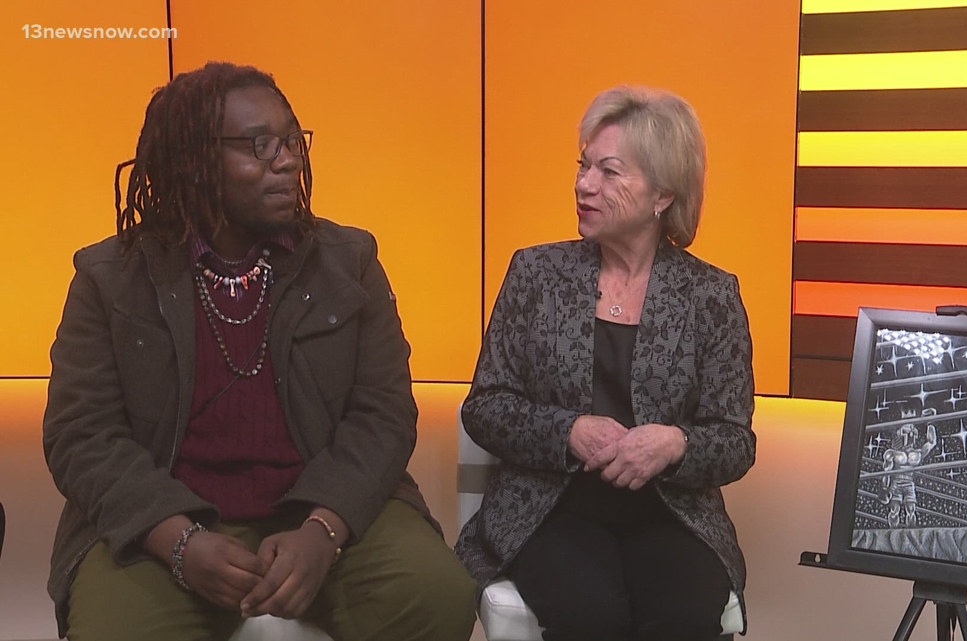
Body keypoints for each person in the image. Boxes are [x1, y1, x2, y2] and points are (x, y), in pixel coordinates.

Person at [42, 61, 476, 641]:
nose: (288, 160)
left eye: (293, 140)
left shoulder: (350, 261)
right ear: (193, 162)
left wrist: (323, 531)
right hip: (163, 524)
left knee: (439, 596)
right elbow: (81, 435)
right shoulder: (110, 277)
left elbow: (384, 415)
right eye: (259, 145)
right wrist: (178, 543)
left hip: (322, 511)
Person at [455, 86, 756, 641]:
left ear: (662, 194)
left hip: (671, 514)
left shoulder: (711, 295)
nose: (584, 184)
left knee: (684, 618)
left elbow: (735, 441)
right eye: (583, 166)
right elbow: (486, 407)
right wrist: (568, 431)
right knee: (592, 618)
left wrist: (674, 444)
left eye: (609, 172)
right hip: (550, 507)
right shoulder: (536, 275)